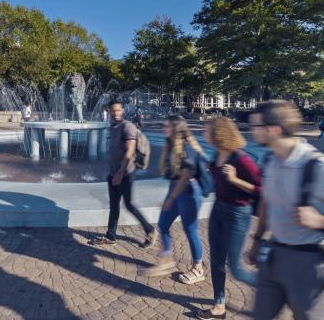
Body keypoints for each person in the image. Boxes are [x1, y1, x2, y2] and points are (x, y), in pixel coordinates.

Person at [247, 100, 324, 320]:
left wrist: (318, 221)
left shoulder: (316, 166)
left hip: (308, 264)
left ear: (274, 130)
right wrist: (257, 240)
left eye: (256, 126)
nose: (252, 131)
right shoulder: (270, 160)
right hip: (273, 255)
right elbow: (266, 202)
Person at [197, 117, 260, 319]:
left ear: (219, 134)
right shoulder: (216, 156)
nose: (203, 133)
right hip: (218, 211)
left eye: (207, 130)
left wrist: (235, 180)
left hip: (237, 214)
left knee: (235, 268)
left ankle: (276, 288)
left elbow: (262, 190)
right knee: (216, 261)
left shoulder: (241, 159)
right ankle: (219, 306)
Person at [142, 115, 205, 284]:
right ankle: (167, 260)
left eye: (168, 127)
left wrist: (171, 198)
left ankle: (198, 268)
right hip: (176, 191)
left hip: (190, 194)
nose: (165, 129)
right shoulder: (170, 146)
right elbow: (174, 177)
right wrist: (170, 197)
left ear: (177, 129)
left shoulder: (186, 148)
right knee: (163, 224)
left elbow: (185, 176)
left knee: (190, 231)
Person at [90, 99, 157, 248]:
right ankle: (110, 236)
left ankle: (150, 230)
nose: (115, 113)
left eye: (118, 110)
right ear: (109, 111)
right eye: (112, 111)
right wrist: (114, 173)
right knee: (114, 206)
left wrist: (120, 173)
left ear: (123, 110)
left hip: (125, 174)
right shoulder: (113, 127)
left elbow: (129, 151)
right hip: (114, 174)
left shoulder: (128, 127)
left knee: (129, 204)